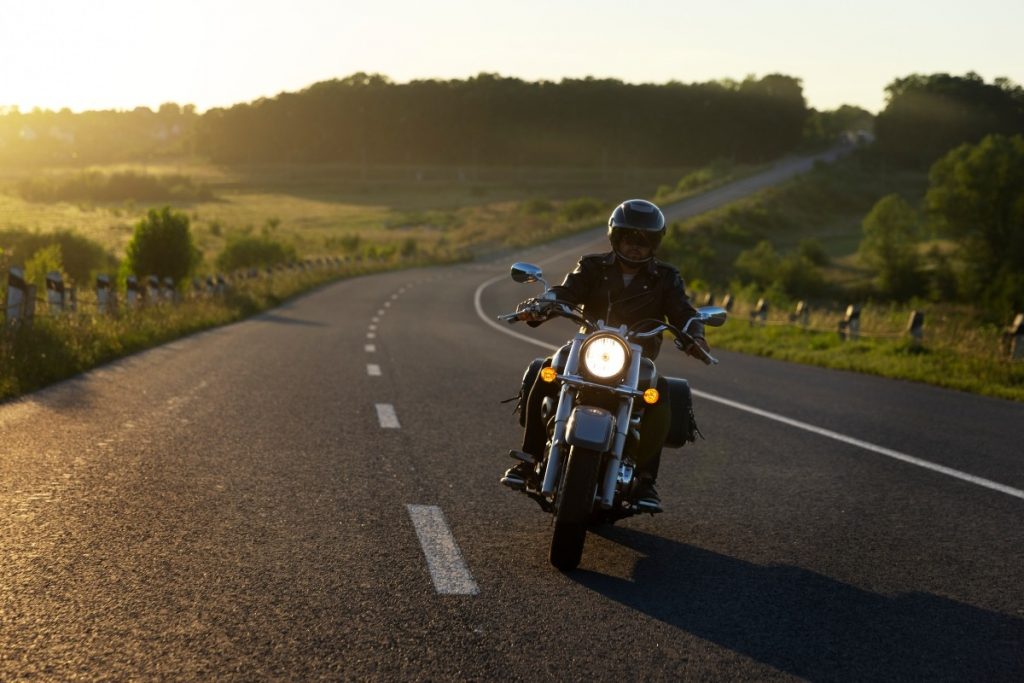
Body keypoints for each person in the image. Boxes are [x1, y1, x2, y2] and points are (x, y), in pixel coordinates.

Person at [501, 199, 710, 512]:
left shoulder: (666, 277)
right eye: (629, 238)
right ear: (615, 237)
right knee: (546, 370)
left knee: (661, 391)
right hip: (589, 348)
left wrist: (695, 334)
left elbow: (683, 311)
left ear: (655, 243)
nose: (636, 246)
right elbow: (567, 291)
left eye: (644, 240)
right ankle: (529, 459)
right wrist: (542, 306)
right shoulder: (592, 266)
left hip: (636, 358)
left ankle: (645, 479)